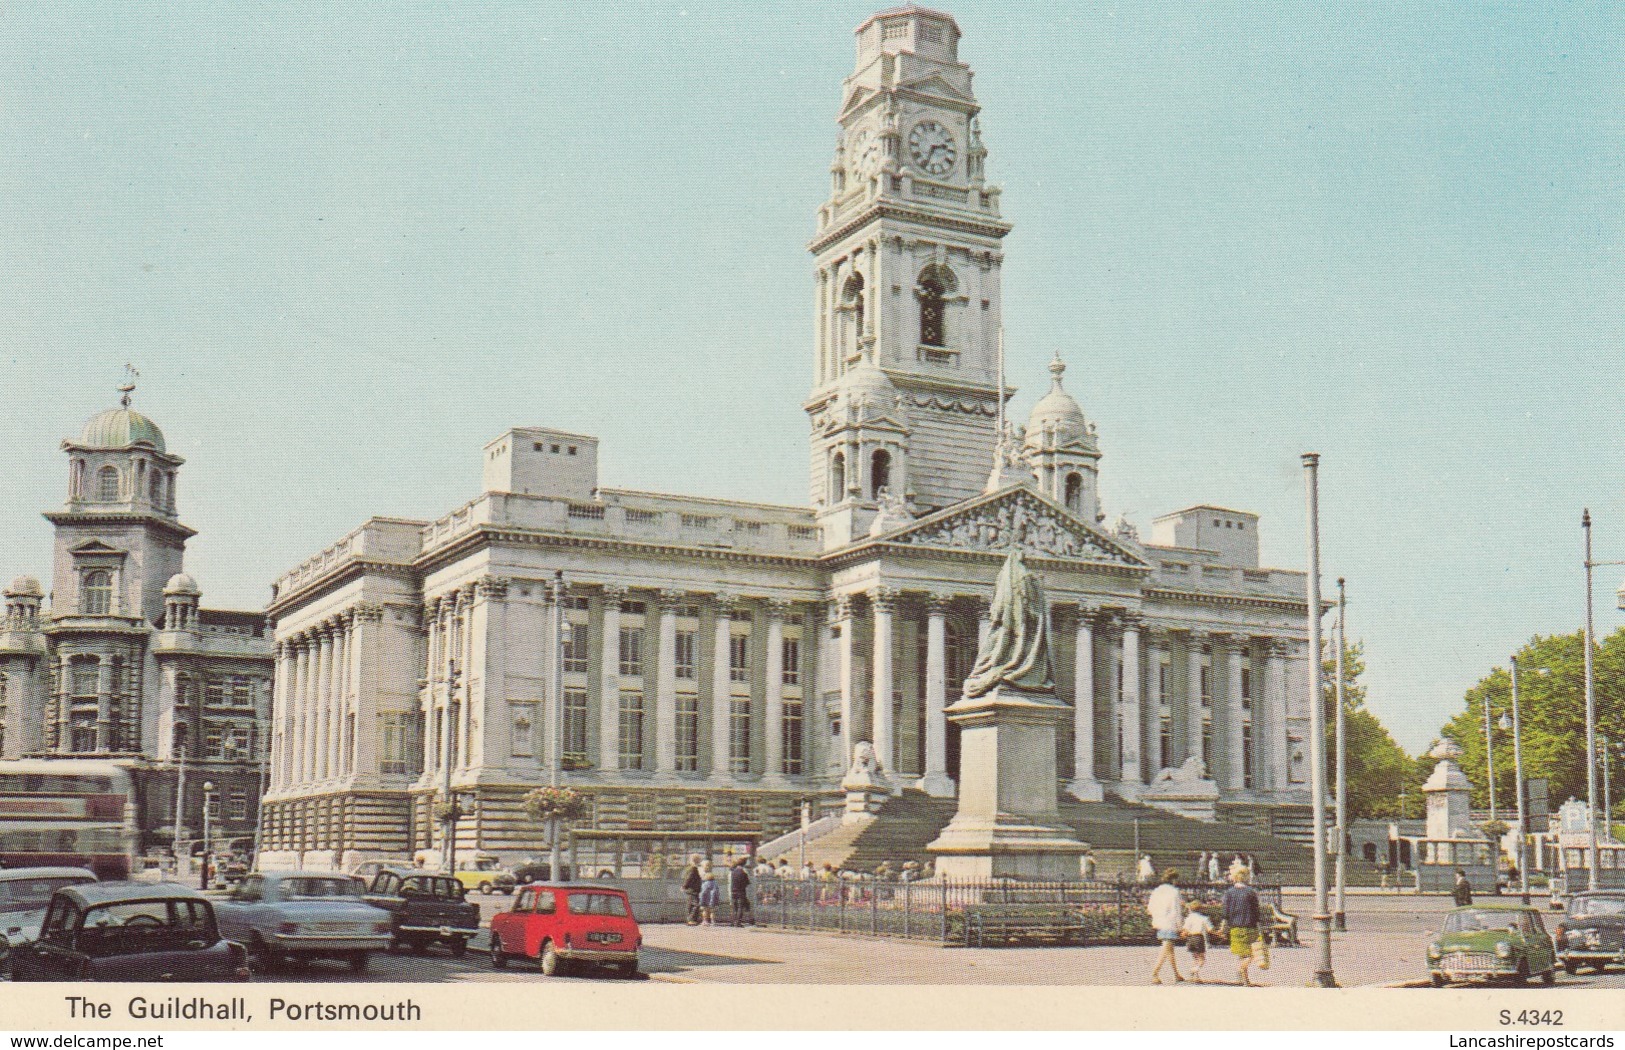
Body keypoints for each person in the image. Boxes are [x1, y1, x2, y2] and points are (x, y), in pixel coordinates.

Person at [1221, 867, 1263, 986]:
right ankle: (1241, 970)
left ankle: (1245, 980)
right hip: (1249, 926)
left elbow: (1225, 912)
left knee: (1241, 955)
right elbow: (1256, 912)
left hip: (1235, 928)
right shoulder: (1251, 892)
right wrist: (1260, 928)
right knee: (1251, 954)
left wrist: (1223, 928)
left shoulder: (1229, 892)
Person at [1146, 868, 1185, 984]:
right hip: (1170, 922)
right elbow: (1176, 910)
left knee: (1169, 949)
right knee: (1165, 949)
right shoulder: (1174, 892)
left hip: (1159, 921)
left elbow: (1150, 908)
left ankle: (1176, 974)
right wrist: (1180, 925)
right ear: (1173, 879)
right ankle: (1154, 973)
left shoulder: (1157, 890)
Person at [1181, 900, 1215, 984]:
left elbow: (1185, 931)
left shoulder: (1188, 918)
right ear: (1201, 909)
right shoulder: (1204, 918)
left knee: (1195, 958)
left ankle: (1196, 977)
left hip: (1190, 938)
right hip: (1199, 938)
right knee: (1202, 959)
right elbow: (1210, 930)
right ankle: (1193, 970)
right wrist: (1219, 933)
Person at [680, 854, 704, 926]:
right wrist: (684, 886)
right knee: (696, 904)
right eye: (699, 859)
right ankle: (692, 919)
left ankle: (690, 919)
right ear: (696, 860)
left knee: (690, 905)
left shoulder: (691, 868)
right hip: (693, 889)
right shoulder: (694, 868)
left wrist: (684, 886)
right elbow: (689, 878)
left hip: (691, 890)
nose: (700, 861)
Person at [730, 857, 754, 926]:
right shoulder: (743, 873)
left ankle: (733, 921)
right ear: (744, 864)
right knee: (740, 907)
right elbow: (747, 883)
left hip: (733, 891)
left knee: (735, 907)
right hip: (741, 892)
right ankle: (738, 922)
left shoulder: (733, 872)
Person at [698, 860, 721, 925]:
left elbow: (703, 893)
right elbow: (716, 892)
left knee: (704, 910)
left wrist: (701, 900)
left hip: (705, 900)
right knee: (712, 912)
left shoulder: (704, 883)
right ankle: (713, 921)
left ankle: (705, 921)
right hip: (713, 900)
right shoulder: (715, 883)